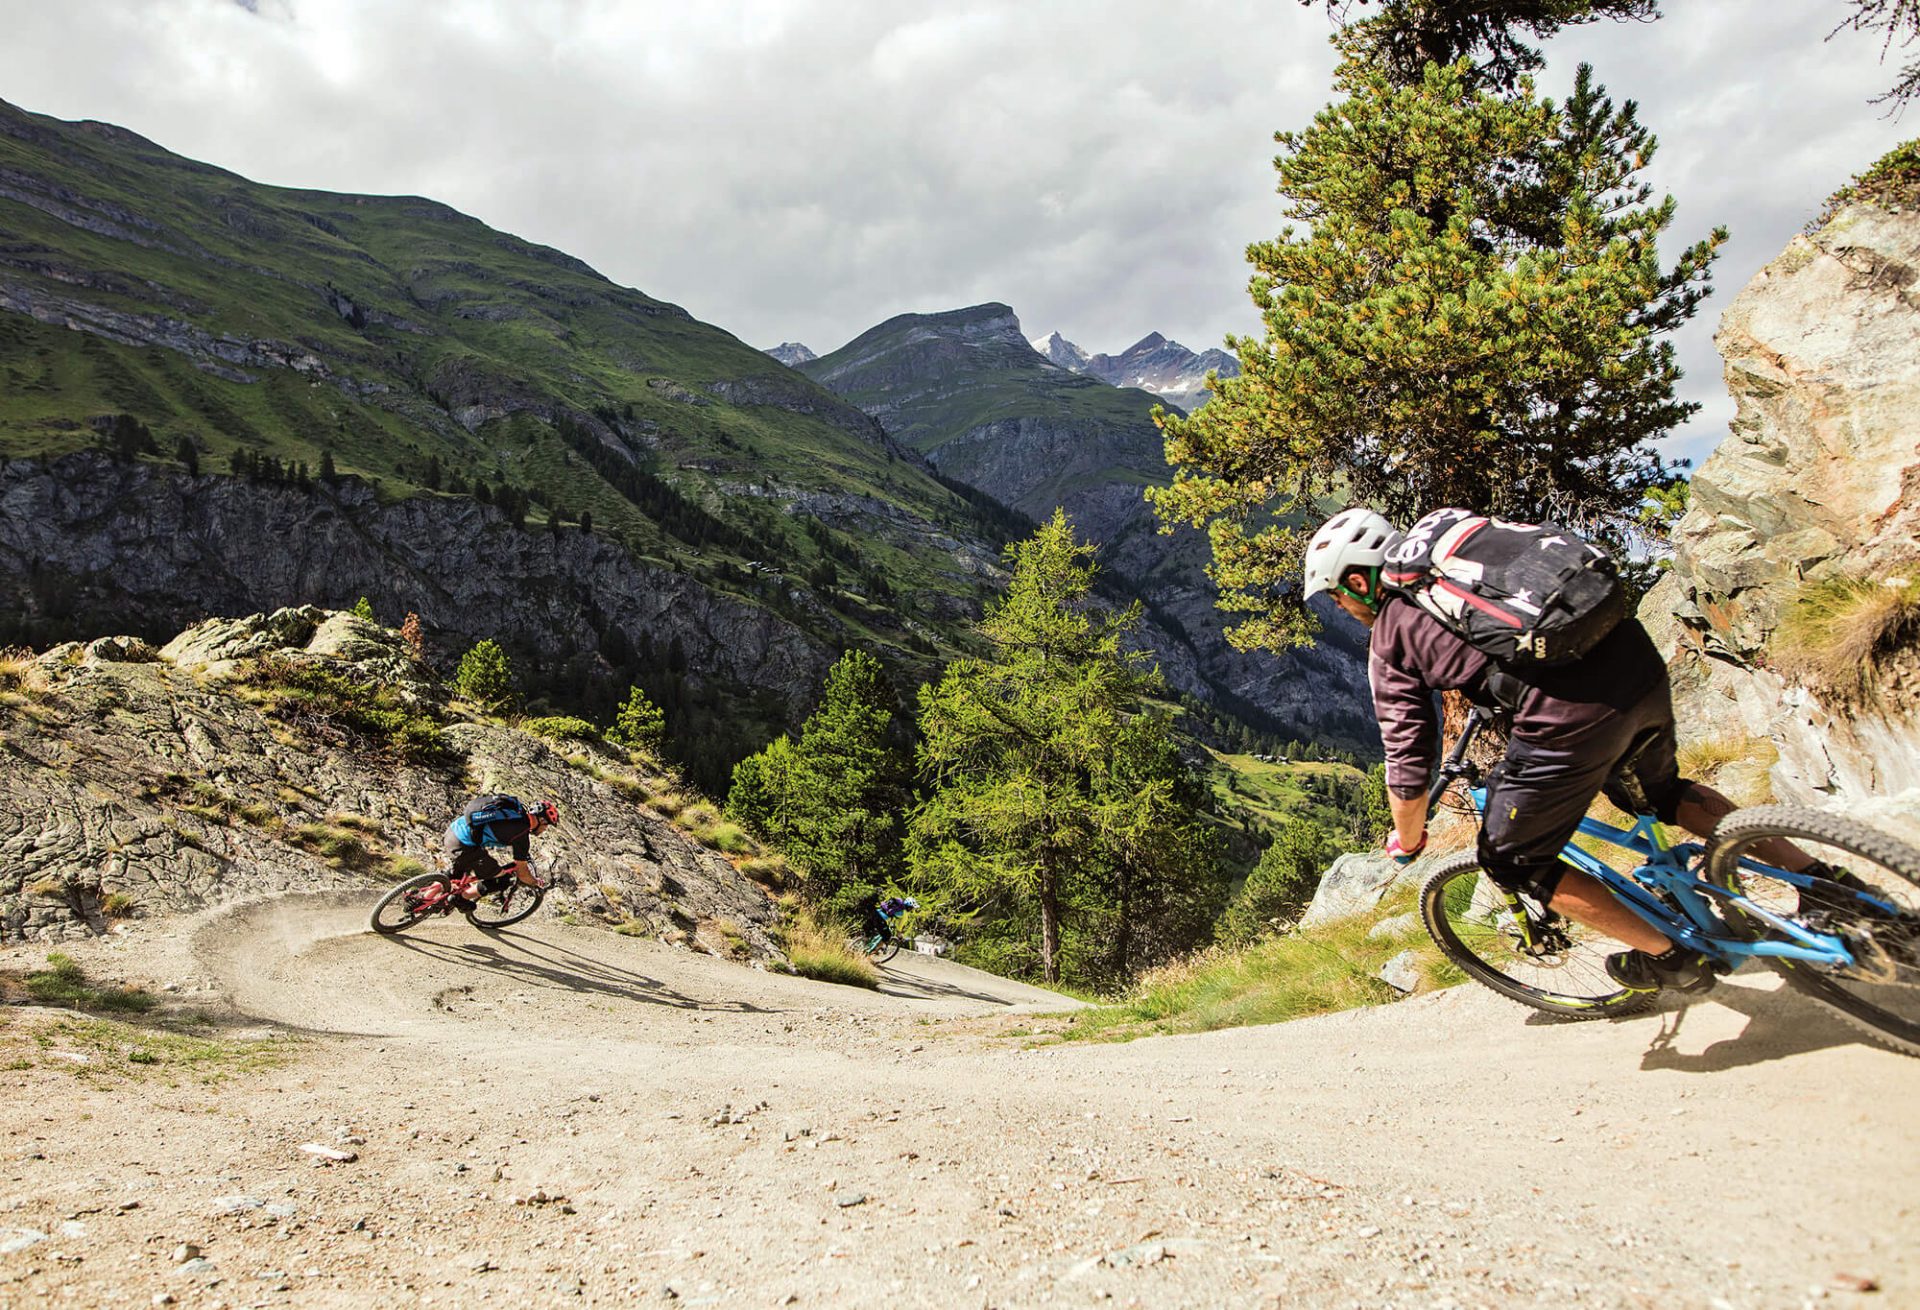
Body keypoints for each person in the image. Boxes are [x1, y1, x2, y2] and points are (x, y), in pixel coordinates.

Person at [1303, 506, 1814, 995]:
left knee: (1513, 859)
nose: (1341, 609)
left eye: (1335, 597)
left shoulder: (1391, 636)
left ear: (1356, 582)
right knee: (1661, 793)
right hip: (1634, 659)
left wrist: (1408, 839)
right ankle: (1821, 884)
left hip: (1569, 715)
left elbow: (1407, 767)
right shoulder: (1449, 541)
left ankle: (1672, 960)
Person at [442, 794, 560, 902]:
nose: (545, 829)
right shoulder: (521, 835)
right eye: (547, 825)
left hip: (453, 831)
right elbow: (522, 874)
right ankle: (460, 898)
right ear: (542, 820)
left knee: (456, 874)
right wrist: (535, 882)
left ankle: (425, 897)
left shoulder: (514, 812)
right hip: (463, 845)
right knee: (502, 880)